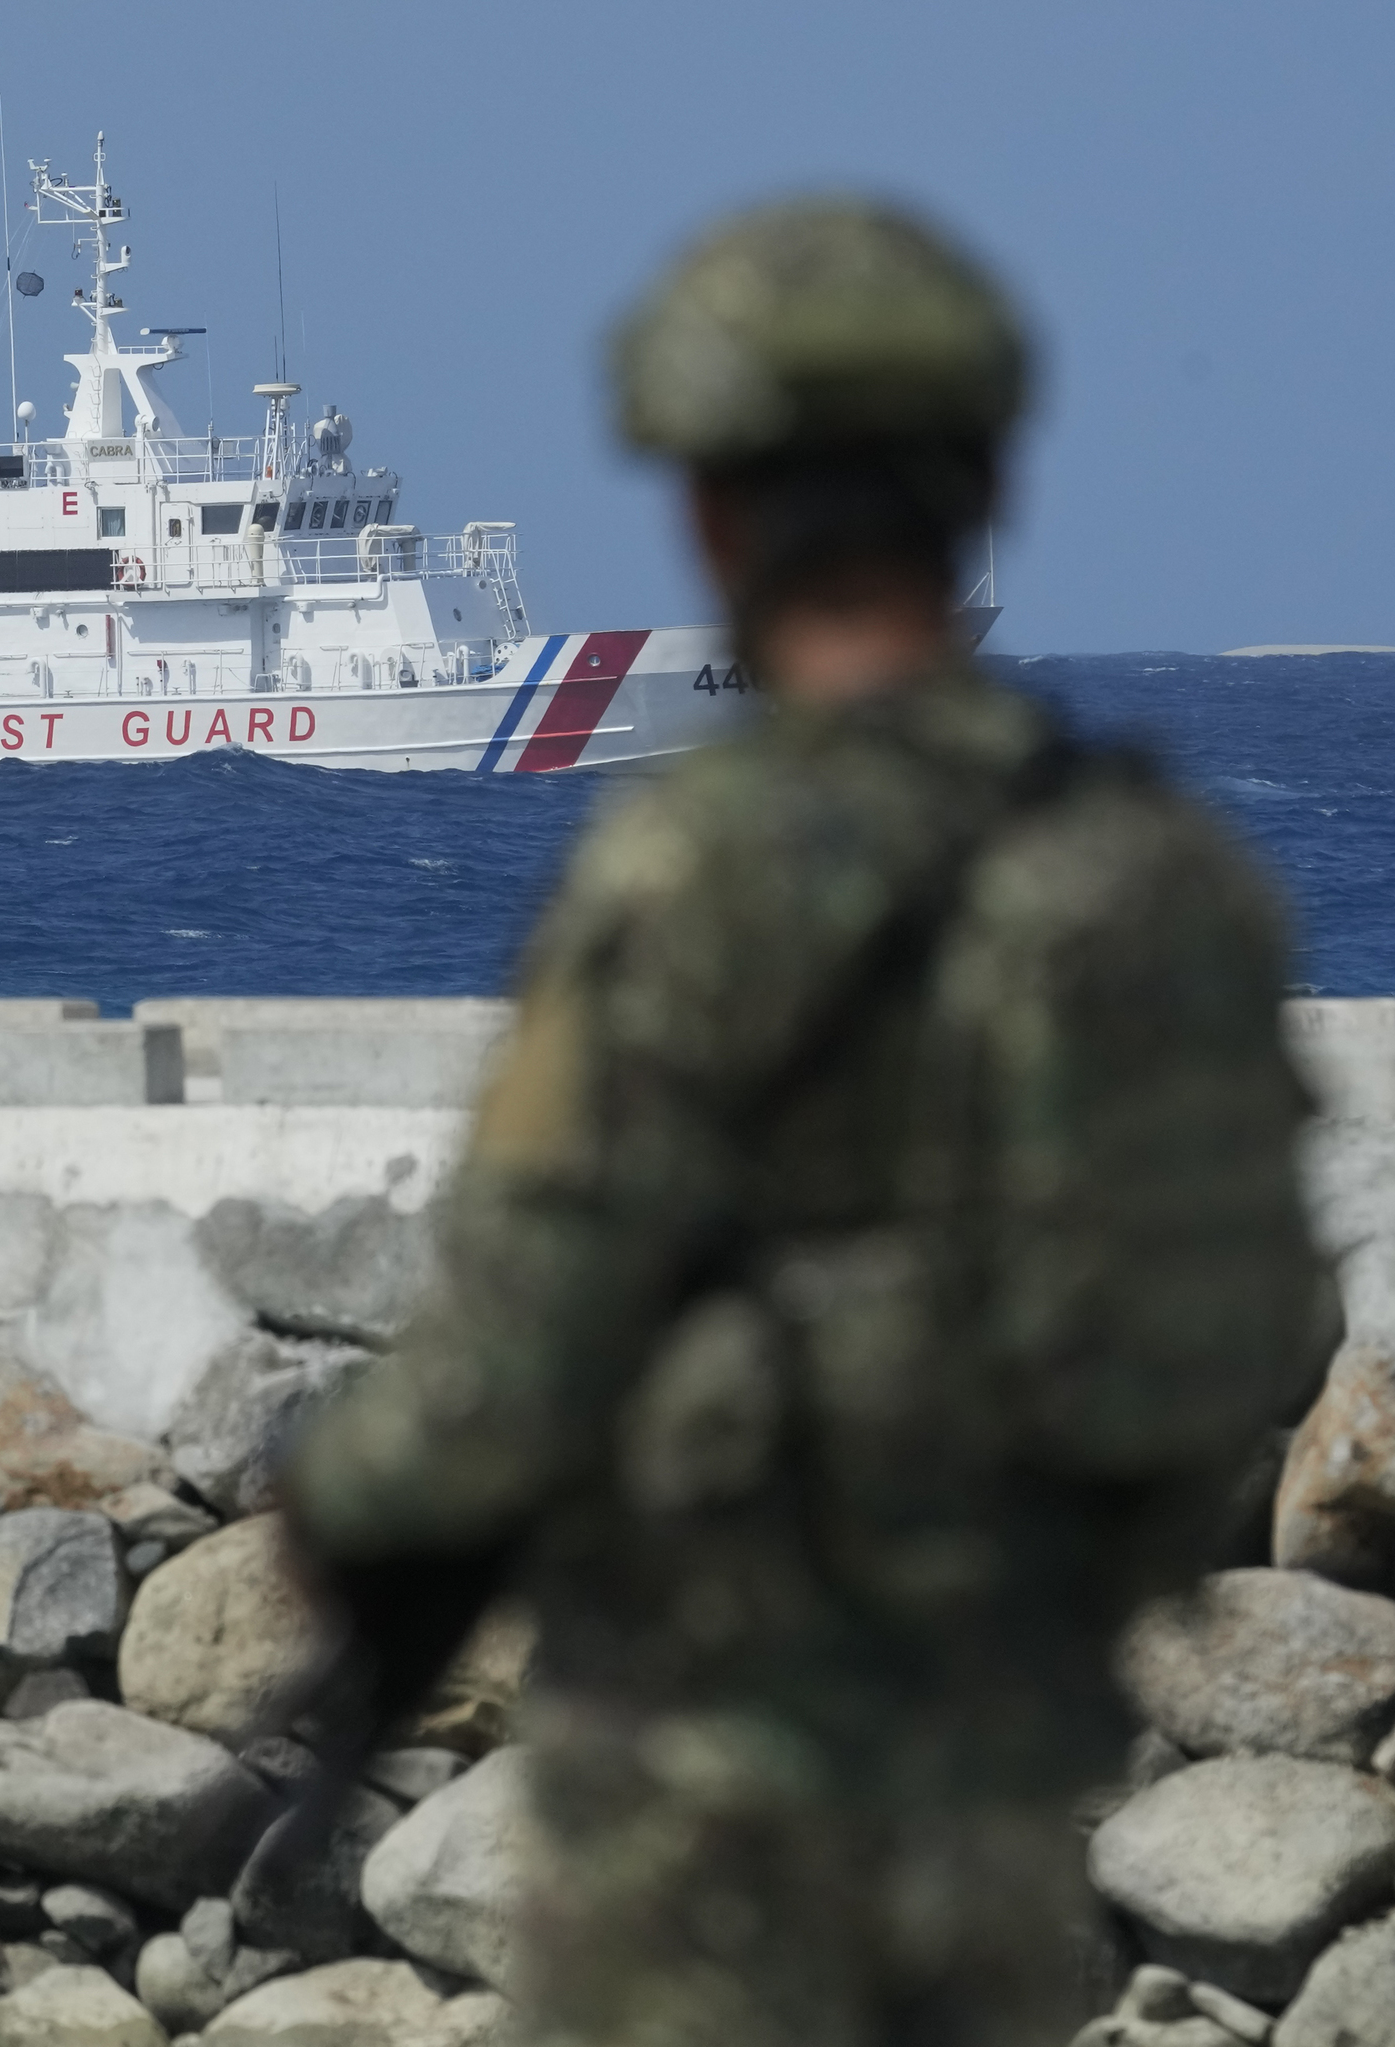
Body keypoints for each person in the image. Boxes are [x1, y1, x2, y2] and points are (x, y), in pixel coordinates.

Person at [288, 200, 1331, 2046]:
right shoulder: (1174, 880)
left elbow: (512, 1349)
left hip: (696, 1818)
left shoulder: (685, 873)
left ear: (705, 507)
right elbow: (1236, 1335)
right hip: (1008, 1786)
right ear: (991, 479)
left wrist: (342, 1525)